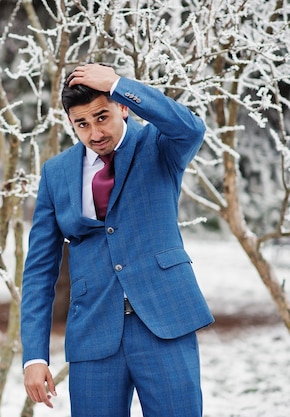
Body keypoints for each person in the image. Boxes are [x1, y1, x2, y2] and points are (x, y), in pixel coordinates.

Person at [20, 63, 214, 417]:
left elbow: (191, 127)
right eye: (82, 123)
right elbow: (39, 271)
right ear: (71, 124)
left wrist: (117, 83)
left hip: (164, 322)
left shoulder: (159, 146)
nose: (94, 132)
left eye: (102, 116)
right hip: (93, 331)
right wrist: (34, 355)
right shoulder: (56, 173)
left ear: (123, 106)